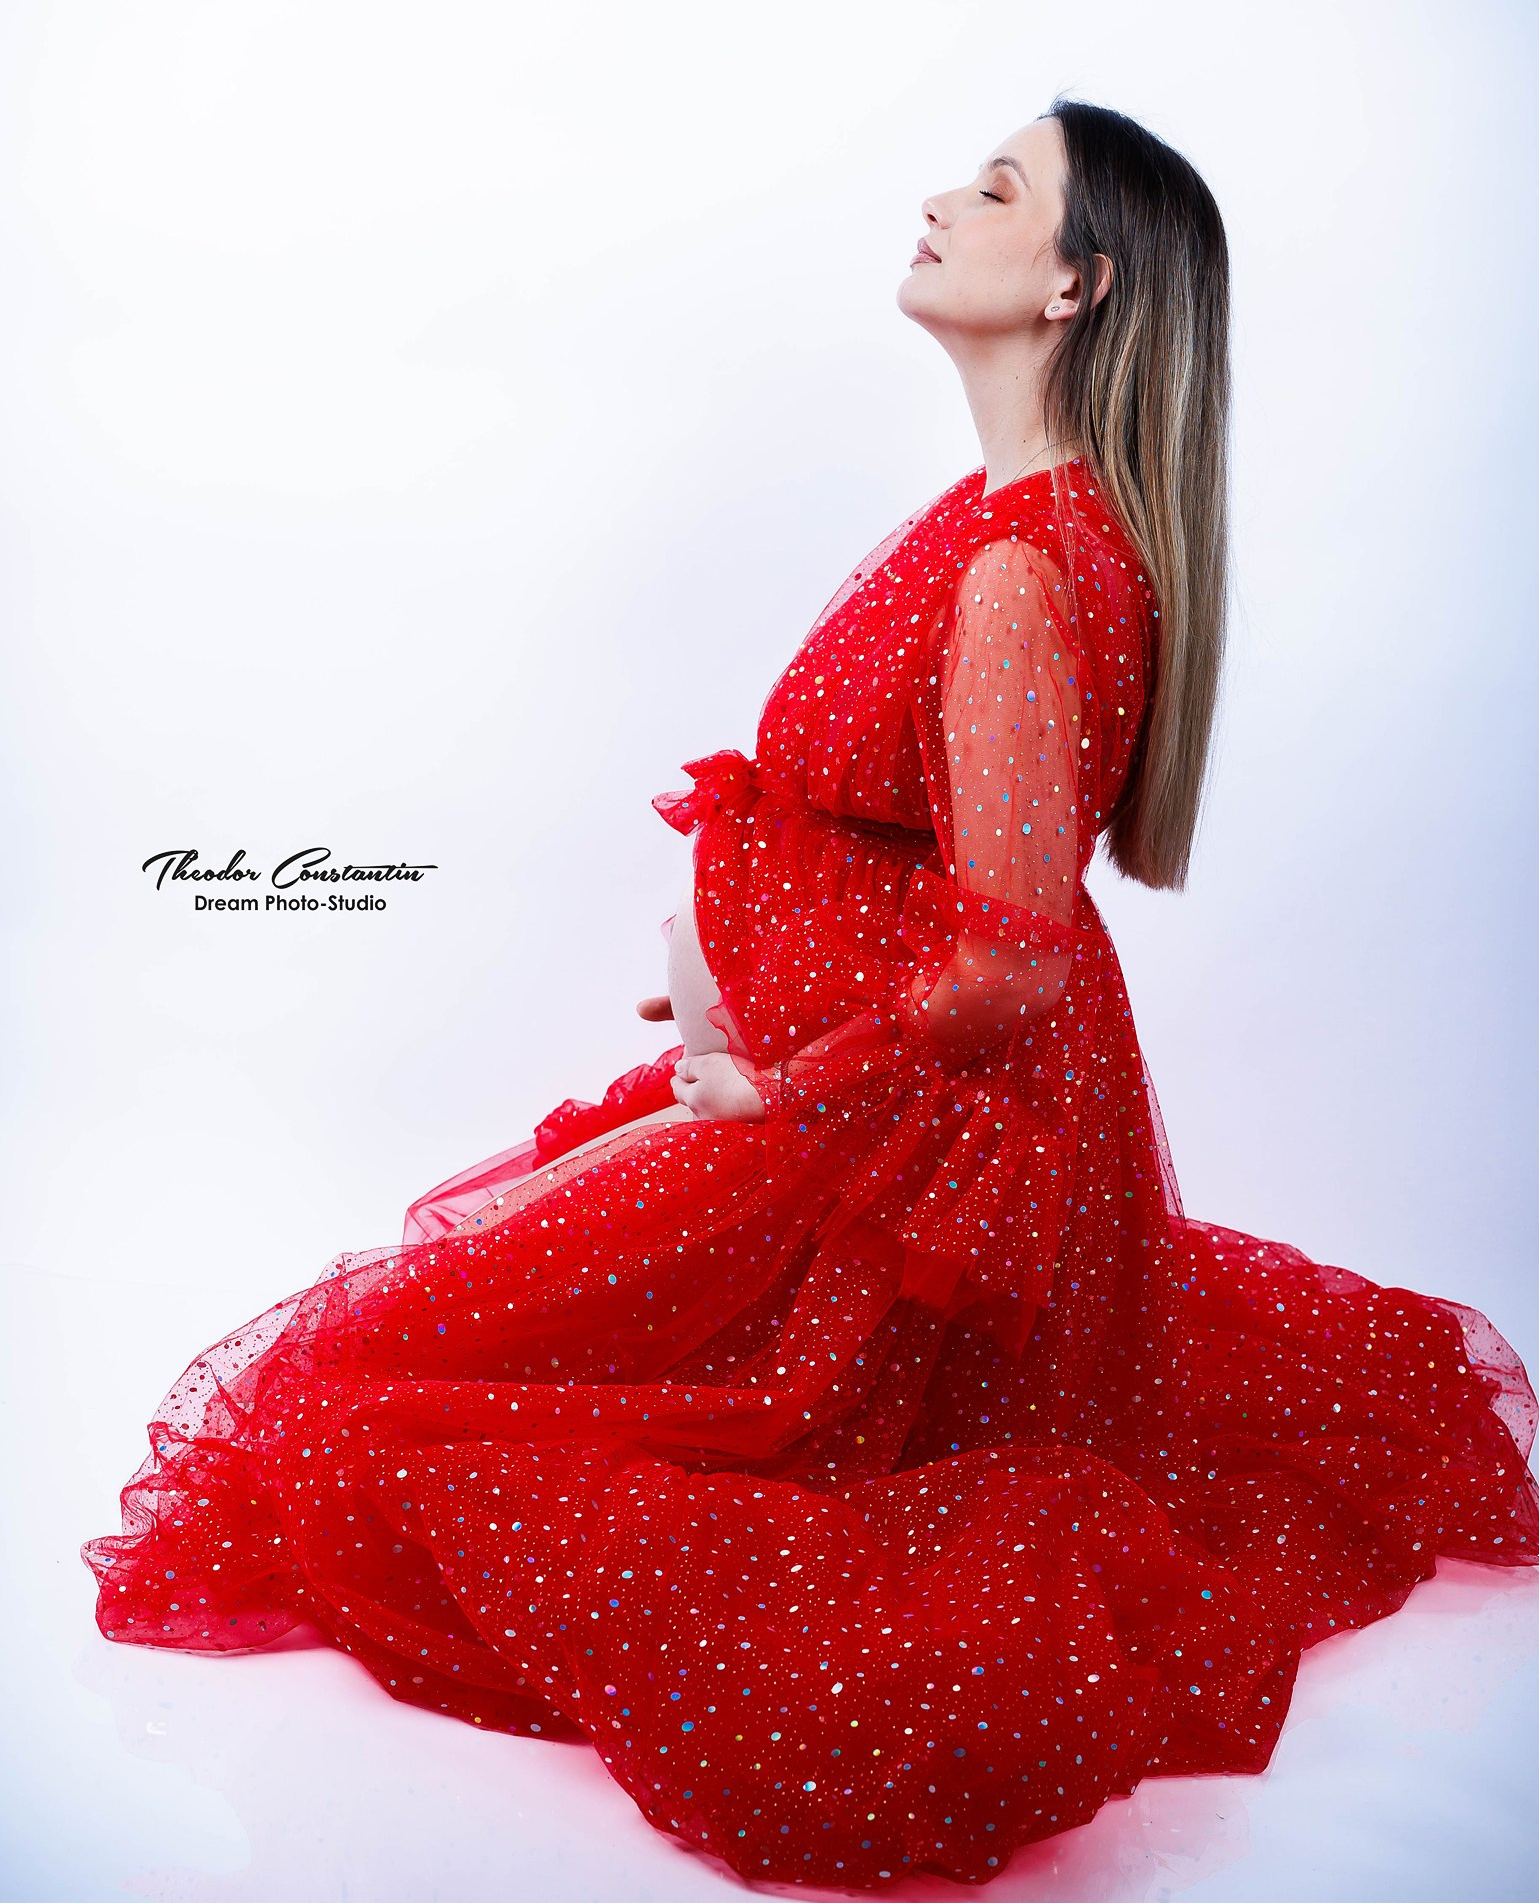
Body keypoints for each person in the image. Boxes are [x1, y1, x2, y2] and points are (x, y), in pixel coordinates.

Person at [82, 97, 1539, 1891]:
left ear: (1076, 285)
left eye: (995, 190)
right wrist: (750, 949)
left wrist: (786, 1084)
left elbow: (1009, 959)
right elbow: (912, 855)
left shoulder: (1019, 567)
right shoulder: (1002, 519)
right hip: (856, 1091)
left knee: (382, 1416)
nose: (939, 200)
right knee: (415, 1353)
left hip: (889, 1137)